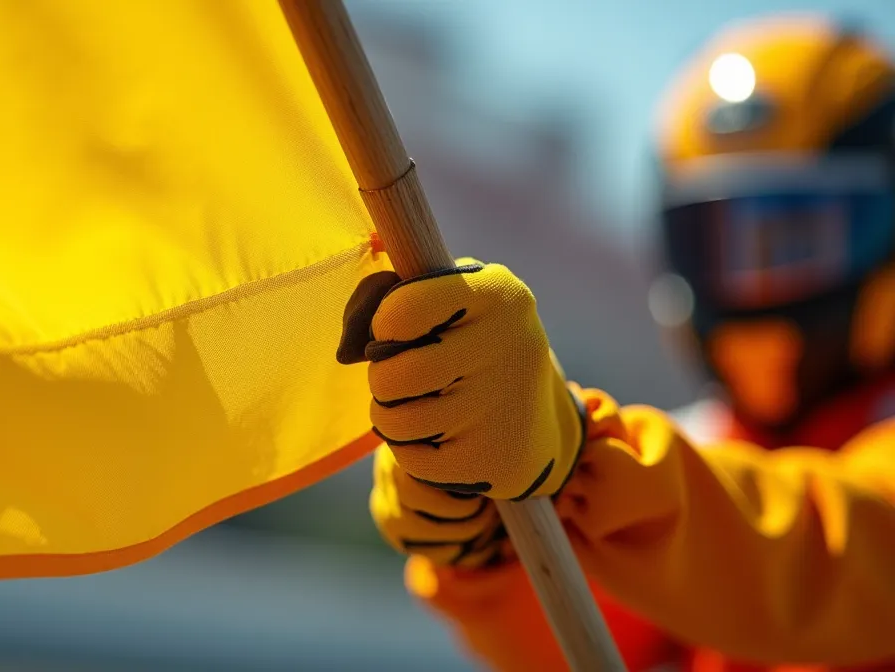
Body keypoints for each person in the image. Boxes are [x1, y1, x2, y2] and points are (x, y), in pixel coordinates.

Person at [337, 13, 895, 672]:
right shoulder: (691, 456)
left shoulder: (653, 476)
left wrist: (577, 458)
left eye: (796, 239)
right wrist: (495, 532)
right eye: (715, 240)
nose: (755, 284)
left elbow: (833, 555)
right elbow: (578, 635)